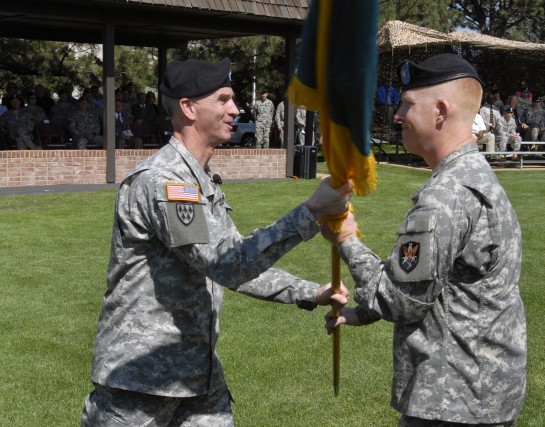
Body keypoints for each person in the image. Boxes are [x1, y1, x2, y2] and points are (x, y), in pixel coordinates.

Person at [80, 57, 352, 427]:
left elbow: (236, 260)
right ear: (188, 108)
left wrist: (309, 292)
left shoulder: (199, 180)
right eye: (223, 99)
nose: (235, 109)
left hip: (195, 373)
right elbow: (229, 264)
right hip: (141, 380)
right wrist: (312, 210)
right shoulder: (165, 182)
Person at [323, 53, 527, 427]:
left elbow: (400, 300)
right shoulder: (475, 175)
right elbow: (442, 283)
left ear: (440, 112)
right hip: (482, 391)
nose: (397, 114)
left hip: (452, 401)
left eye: (407, 104)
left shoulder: (446, 195)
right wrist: (359, 315)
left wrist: (346, 239)